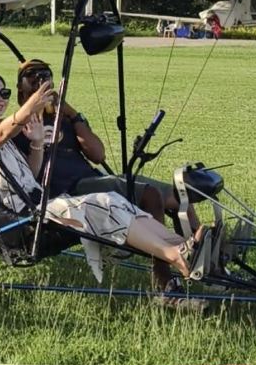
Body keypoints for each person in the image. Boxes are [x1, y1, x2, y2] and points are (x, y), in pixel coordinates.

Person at [0, 69, 209, 284]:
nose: (0, 99)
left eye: (4, 94)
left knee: (112, 199)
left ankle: (187, 247)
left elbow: (30, 177)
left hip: (38, 207)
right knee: (100, 205)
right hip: (23, 222)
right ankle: (177, 256)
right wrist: (26, 110)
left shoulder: (3, 136)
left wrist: (36, 144)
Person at [14, 58, 199, 290]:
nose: (41, 82)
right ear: (21, 87)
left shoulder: (65, 119)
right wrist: (30, 116)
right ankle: (163, 276)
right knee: (150, 195)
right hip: (68, 190)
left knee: (181, 195)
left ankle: (205, 256)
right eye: (33, 78)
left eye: (46, 76)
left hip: (92, 178)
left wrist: (72, 114)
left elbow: (98, 154)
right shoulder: (17, 127)